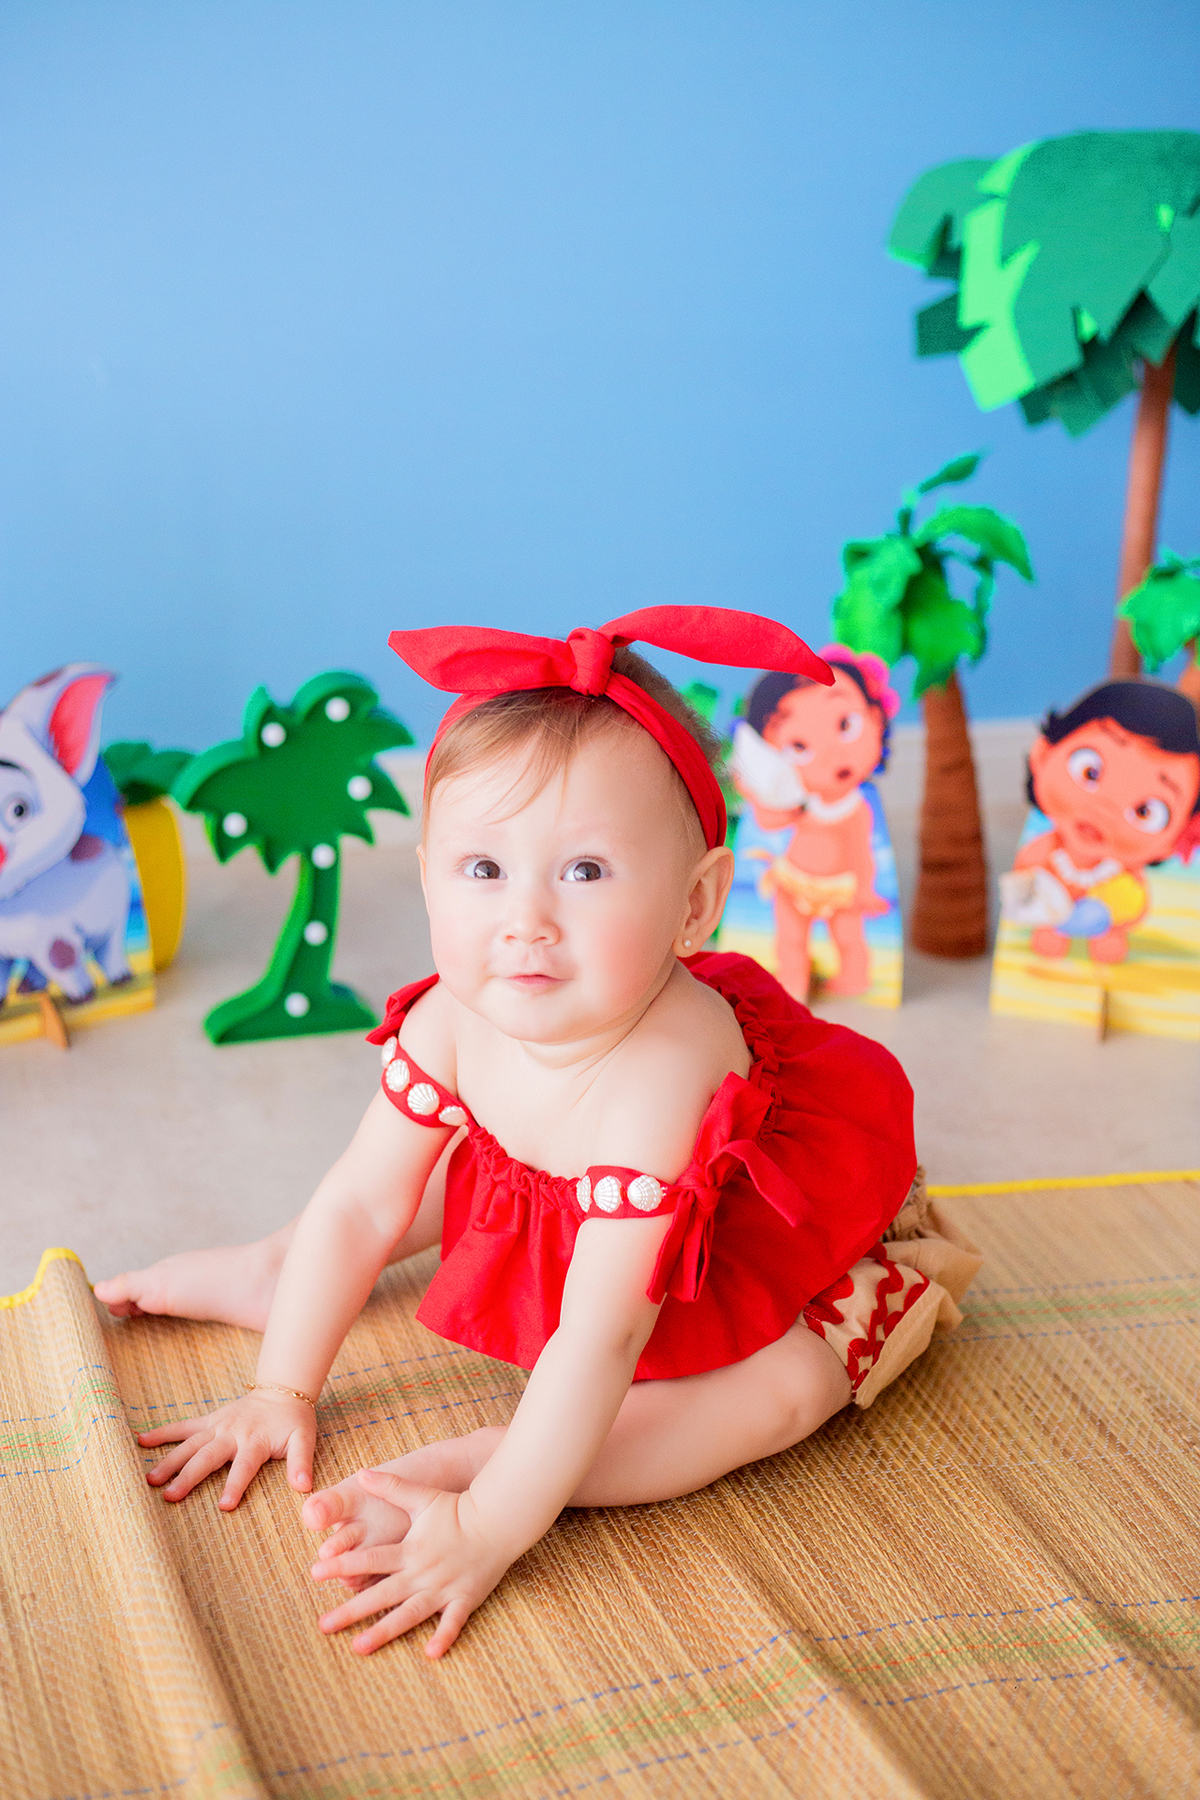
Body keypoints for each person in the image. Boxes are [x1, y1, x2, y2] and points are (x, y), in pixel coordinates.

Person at [95, 608, 980, 1660]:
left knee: (782, 1394)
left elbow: (601, 1337)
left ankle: (496, 1459)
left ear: (696, 904)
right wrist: (279, 1389)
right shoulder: (455, 1015)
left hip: (741, 1245)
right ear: (427, 874)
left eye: (587, 872)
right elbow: (365, 1198)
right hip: (570, 1190)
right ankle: (278, 1271)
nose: (527, 921)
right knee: (461, 1173)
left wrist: (491, 1523)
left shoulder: (660, 1082)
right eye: (483, 871)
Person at [730, 648, 899, 999]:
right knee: (790, 938)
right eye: (799, 747)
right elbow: (770, 820)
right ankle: (794, 982)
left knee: (849, 937)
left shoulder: (858, 809)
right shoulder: (798, 803)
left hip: (840, 889)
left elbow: (860, 852)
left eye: (846, 725)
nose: (831, 755)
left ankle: (854, 979)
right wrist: (753, 789)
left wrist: (865, 890)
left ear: (876, 718)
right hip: (793, 881)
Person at [1000, 679, 1200, 964]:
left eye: (1145, 811)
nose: (1105, 809)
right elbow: (1024, 880)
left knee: (1112, 942)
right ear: (1043, 755)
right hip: (1048, 921)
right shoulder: (1044, 850)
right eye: (1089, 772)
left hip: (1107, 926)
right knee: (1045, 943)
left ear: (1178, 837)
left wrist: (1117, 913)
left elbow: (1136, 905)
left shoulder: (1123, 875)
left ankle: (1105, 938)